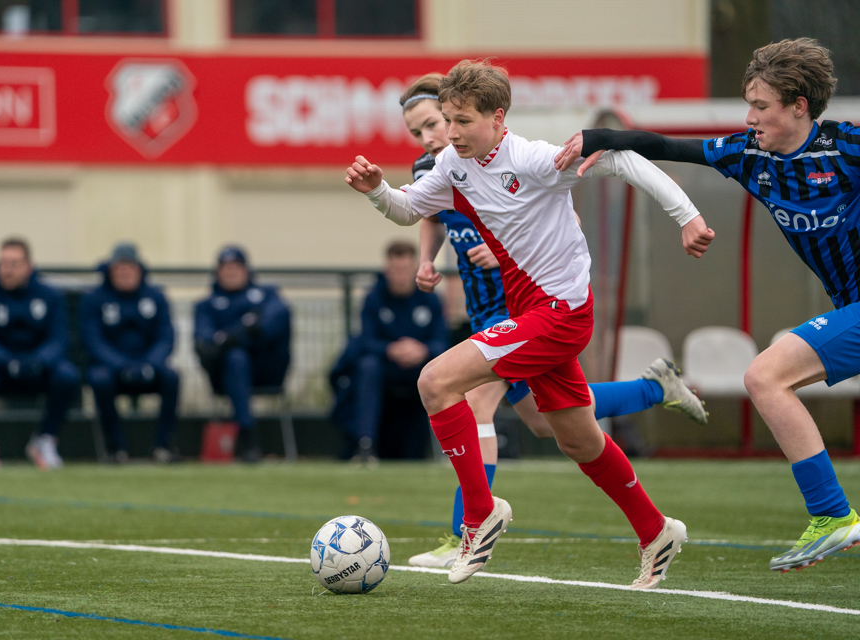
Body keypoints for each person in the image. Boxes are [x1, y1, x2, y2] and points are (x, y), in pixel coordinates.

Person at [345, 59, 713, 587]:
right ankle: (657, 530)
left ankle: (479, 516)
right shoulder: (452, 164)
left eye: (462, 121)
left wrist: (689, 218)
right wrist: (378, 190)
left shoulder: (537, 159)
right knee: (578, 442)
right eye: (446, 119)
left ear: (498, 118)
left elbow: (625, 161)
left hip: (561, 313)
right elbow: (408, 210)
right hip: (530, 314)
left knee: (436, 381)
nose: (450, 132)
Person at [554, 37, 860, 573]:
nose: (750, 117)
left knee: (766, 376)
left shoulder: (848, 148)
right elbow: (669, 146)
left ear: (799, 107)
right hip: (850, 306)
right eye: (748, 104)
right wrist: (599, 139)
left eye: (761, 106)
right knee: (771, 380)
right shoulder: (749, 156)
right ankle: (832, 516)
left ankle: (833, 516)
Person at [0, 237, 81, 471]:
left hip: (37, 369)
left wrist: (36, 361)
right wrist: (8, 362)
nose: (7, 270)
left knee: (68, 375)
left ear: (29, 265)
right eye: (3, 263)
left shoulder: (50, 295)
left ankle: (45, 440)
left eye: (14, 263)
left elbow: (59, 340)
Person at [340, 240, 450, 462]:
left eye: (405, 269)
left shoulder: (431, 299)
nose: (400, 275)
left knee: (442, 373)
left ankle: (448, 451)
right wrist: (391, 349)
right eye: (395, 269)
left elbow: (443, 342)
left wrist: (422, 350)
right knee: (367, 367)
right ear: (386, 269)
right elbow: (365, 341)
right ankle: (365, 446)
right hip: (386, 367)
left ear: (415, 270)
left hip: (421, 369)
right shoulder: (373, 298)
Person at [81, 243, 179, 464]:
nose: (125, 273)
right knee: (99, 379)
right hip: (112, 367)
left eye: (130, 268)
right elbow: (92, 340)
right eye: (119, 268)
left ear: (139, 270)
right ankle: (116, 448)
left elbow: (166, 336)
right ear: (110, 271)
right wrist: (121, 365)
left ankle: (163, 446)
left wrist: (150, 363)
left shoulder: (156, 296)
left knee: (171, 377)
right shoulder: (95, 299)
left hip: (148, 365)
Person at [194, 246, 291, 462]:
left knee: (238, 354)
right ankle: (248, 437)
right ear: (217, 272)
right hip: (226, 375)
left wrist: (230, 337)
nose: (231, 272)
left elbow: (273, 323)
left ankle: (248, 437)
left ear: (246, 270)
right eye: (226, 268)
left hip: (267, 369)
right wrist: (244, 331)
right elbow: (205, 342)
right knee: (236, 358)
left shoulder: (267, 295)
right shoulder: (206, 305)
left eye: (236, 267)